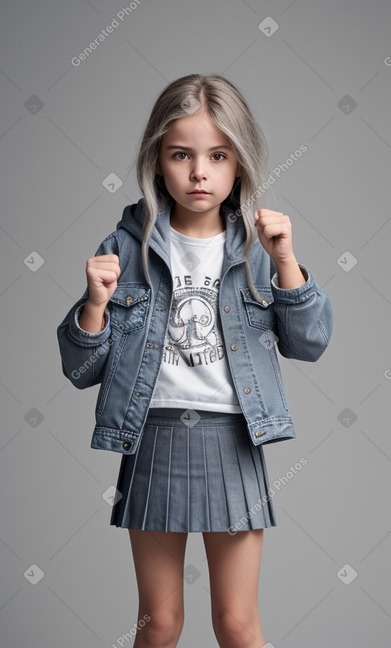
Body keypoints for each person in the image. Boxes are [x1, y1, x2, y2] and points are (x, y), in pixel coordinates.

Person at [57, 74, 333, 647]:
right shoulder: (122, 248)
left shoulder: (259, 249)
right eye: (181, 154)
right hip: (152, 437)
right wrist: (93, 306)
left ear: (239, 164)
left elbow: (309, 343)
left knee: (236, 623)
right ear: (157, 160)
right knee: (158, 625)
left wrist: (287, 263)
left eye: (217, 155)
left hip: (233, 438)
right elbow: (82, 371)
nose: (199, 171)